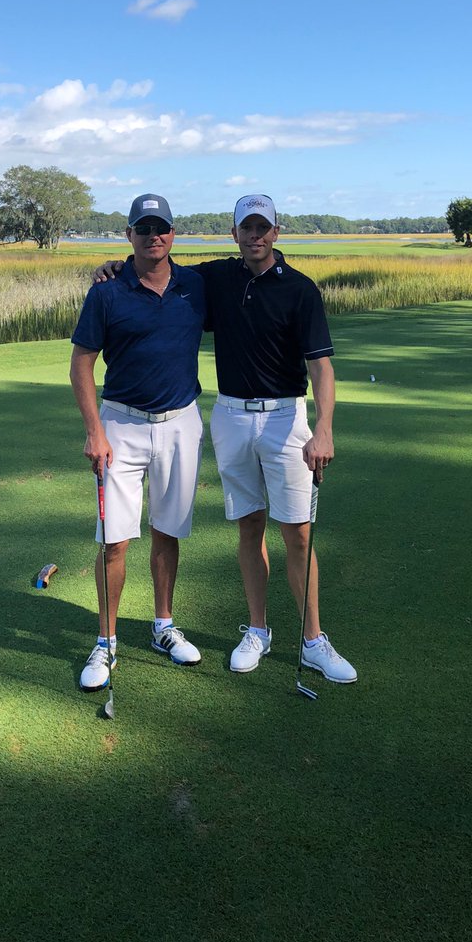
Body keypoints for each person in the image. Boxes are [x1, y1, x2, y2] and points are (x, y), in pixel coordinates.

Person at [94, 194, 356, 684]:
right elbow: (156, 262)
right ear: (234, 234)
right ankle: (257, 630)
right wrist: (117, 265)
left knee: (298, 532)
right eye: (246, 228)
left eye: (263, 227)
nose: (255, 236)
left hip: (285, 419)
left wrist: (323, 429)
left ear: (277, 231)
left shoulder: (301, 290)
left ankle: (314, 640)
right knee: (249, 527)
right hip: (232, 417)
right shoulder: (214, 278)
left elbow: (321, 365)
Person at [69, 193, 205, 693]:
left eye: (162, 228)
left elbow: (250, 264)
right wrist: (93, 430)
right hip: (121, 425)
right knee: (114, 539)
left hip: (180, 423)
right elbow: (82, 362)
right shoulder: (107, 290)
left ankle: (163, 627)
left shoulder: (195, 284)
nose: (154, 237)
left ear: (174, 233)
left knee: (168, 530)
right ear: (129, 235)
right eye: (144, 229)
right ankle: (105, 642)